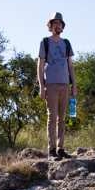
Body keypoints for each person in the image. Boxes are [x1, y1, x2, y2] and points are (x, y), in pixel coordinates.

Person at [38, 12, 77, 160]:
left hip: (65, 84)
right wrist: (42, 87)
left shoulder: (66, 43)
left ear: (62, 26)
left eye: (60, 23)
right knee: (52, 117)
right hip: (51, 84)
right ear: (50, 26)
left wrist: (74, 86)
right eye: (55, 23)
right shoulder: (45, 42)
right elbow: (40, 66)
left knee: (62, 118)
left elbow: (71, 66)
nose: (57, 25)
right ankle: (51, 150)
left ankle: (61, 149)